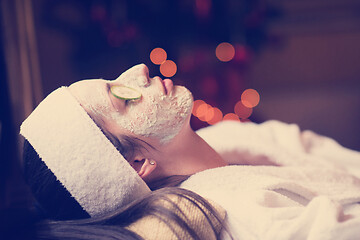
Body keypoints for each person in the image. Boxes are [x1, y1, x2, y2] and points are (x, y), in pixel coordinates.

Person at [21, 64, 360, 239]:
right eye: (120, 96)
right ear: (138, 163)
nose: (139, 70)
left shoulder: (230, 136)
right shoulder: (249, 217)